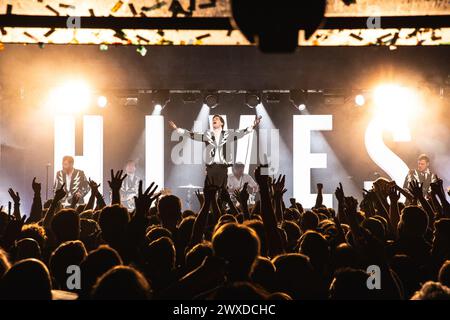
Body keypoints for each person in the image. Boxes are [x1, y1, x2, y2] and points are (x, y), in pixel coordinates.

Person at [169, 115, 261, 187]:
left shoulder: (227, 134)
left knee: (222, 191)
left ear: (221, 123)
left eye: (216, 118)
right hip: (211, 167)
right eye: (213, 119)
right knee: (209, 190)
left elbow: (242, 132)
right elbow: (192, 135)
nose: (214, 119)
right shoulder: (207, 135)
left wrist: (253, 125)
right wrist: (178, 129)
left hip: (222, 167)